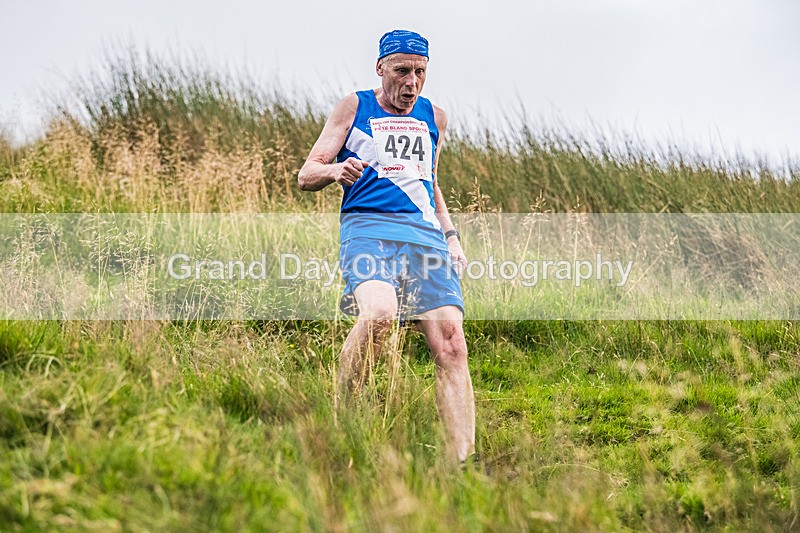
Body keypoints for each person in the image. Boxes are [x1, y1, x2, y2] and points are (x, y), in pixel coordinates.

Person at [297, 30, 475, 462]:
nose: (411, 82)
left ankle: (462, 463)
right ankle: (344, 426)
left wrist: (451, 236)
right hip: (368, 232)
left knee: (452, 343)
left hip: (426, 239)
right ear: (381, 68)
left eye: (420, 72)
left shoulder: (436, 117)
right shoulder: (355, 105)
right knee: (379, 317)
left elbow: (429, 184)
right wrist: (337, 169)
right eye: (402, 71)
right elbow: (306, 174)